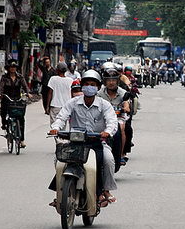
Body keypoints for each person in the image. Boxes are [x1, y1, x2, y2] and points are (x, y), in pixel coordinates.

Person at [50, 70, 118, 206]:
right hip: (75, 143)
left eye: (93, 84)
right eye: (86, 84)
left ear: (98, 87)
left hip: (96, 143)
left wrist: (107, 131)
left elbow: (112, 121)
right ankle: (60, 193)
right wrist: (56, 127)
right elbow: (62, 116)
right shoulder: (73, 103)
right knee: (58, 160)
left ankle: (104, 190)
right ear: (82, 86)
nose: (89, 87)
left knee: (108, 160)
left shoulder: (104, 105)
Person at [98, 68, 131, 166]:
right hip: (103, 118)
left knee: (121, 127)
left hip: (118, 117)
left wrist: (126, 107)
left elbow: (126, 104)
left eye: (113, 80)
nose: (111, 83)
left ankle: (121, 155)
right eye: (108, 80)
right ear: (105, 81)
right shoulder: (100, 93)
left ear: (117, 81)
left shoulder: (122, 92)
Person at [0, 59, 30, 148]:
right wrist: (0, 95)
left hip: (17, 99)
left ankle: (22, 139)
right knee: (3, 111)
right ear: (8, 68)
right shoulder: (4, 77)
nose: (13, 69)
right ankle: (4, 124)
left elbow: (25, 86)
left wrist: (28, 93)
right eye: (11, 67)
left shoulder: (20, 77)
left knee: (21, 118)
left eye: (14, 67)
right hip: (7, 98)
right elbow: (1, 87)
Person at [46, 62, 73, 127]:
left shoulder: (53, 79)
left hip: (55, 106)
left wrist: (47, 106)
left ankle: (56, 137)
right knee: (63, 125)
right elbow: (72, 94)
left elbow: (50, 93)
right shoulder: (70, 80)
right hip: (66, 106)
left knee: (54, 127)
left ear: (57, 70)